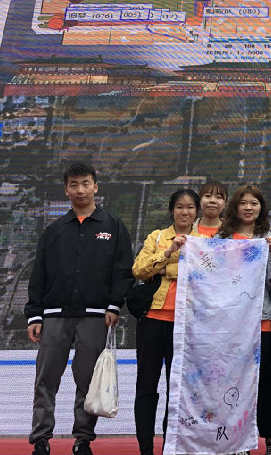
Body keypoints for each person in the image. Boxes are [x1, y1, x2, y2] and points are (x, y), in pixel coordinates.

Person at [25, 162, 133, 455]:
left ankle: (83, 440)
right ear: (66, 190)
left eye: (86, 183)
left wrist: (114, 305)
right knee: (46, 380)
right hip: (54, 317)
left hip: (95, 317)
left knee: (87, 381)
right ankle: (41, 439)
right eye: (74, 185)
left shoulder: (113, 226)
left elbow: (123, 271)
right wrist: (35, 314)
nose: (80, 190)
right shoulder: (54, 230)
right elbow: (39, 275)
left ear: (95, 187)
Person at [132, 188, 202, 455]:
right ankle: (145, 447)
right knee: (146, 386)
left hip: (187, 324)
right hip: (152, 319)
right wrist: (169, 251)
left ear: (196, 212)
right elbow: (139, 269)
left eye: (190, 207)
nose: (185, 212)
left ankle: (170, 445)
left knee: (179, 390)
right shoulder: (157, 237)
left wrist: (164, 270)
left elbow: (205, 276)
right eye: (179, 207)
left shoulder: (204, 242)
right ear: (172, 210)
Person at [219, 185, 271, 455]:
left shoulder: (269, 239)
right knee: (233, 384)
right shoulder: (221, 239)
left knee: (265, 384)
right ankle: (235, 441)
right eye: (243, 203)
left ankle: (268, 439)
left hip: (262, 323)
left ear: (261, 208)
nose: (248, 207)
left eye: (254, 203)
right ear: (235, 207)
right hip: (230, 325)